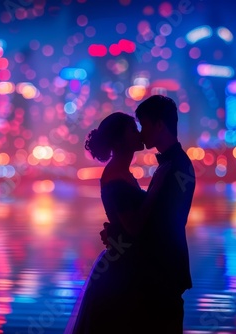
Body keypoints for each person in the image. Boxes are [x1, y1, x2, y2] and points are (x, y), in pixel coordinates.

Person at [65, 112, 148, 333]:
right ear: (120, 140)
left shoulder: (121, 172)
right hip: (123, 269)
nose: (138, 134)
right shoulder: (116, 177)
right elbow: (133, 227)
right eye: (133, 129)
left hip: (123, 261)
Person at [120, 95, 196, 333]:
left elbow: (163, 223)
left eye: (144, 125)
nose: (141, 133)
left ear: (160, 125)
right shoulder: (171, 165)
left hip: (162, 272)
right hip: (162, 271)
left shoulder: (176, 167)